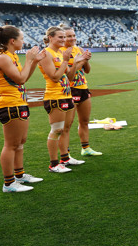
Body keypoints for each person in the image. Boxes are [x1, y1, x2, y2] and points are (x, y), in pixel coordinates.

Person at [0, 25, 46, 192]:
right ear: (12, 41)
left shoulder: (10, 56)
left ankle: (19, 175)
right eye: (21, 39)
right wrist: (29, 59)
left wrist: (34, 62)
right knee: (11, 145)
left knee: (20, 142)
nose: (24, 41)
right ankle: (9, 183)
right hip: (9, 103)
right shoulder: (2, 57)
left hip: (18, 101)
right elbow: (19, 79)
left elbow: (23, 78)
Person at [38, 26, 90, 173]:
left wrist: (78, 62)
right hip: (54, 96)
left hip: (66, 94)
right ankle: (54, 164)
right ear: (50, 38)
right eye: (60, 37)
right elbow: (54, 77)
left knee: (65, 128)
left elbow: (69, 77)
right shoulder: (46, 54)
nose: (64, 40)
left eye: (64, 37)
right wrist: (66, 61)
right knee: (57, 130)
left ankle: (65, 158)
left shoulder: (60, 53)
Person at [61, 26, 102, 157]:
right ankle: (66, 154)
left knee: (84, 121)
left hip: (83, 88)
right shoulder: (61, 52)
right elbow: (69, 76)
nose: (72, 38)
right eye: (68, 36)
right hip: (70, 89)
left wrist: (86, 60)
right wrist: (79, 61)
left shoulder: (78, 49)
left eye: (73, 35)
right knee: (67, 125)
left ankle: (86, 148)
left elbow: (87, 70)